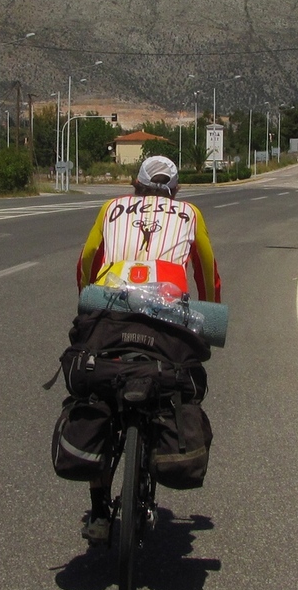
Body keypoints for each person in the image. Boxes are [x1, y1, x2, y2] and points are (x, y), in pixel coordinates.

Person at [71, 154, 220, 543]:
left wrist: (86, 301)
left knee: (97, 390)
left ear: (134, 185)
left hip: (110, 306)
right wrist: (207, 315)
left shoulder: (111, 207)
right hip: (169, 312)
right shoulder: (190, 214)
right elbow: (207, 271)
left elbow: (87, 259)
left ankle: (99, 511)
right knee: (173, 381)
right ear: (176, 190)